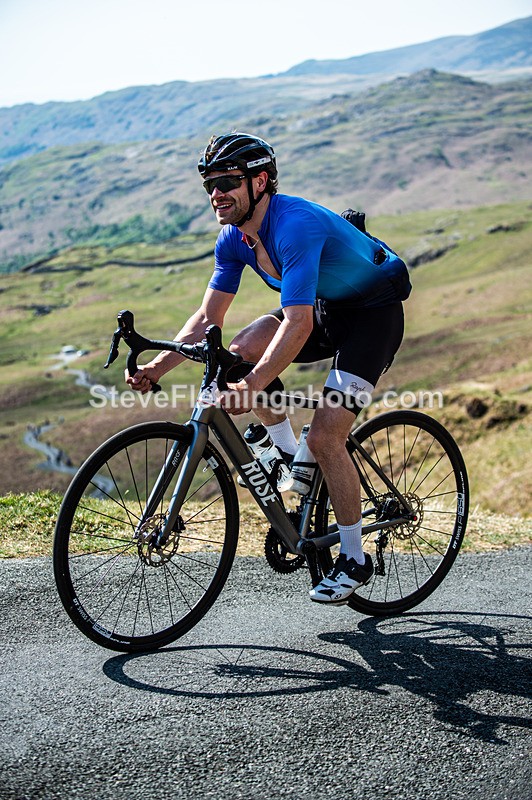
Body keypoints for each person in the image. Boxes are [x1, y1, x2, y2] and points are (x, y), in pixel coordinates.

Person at [127, 132, 411, 605]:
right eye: (209, 185)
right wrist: (159, 366)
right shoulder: (234, 238)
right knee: (238, 349)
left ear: (260, 181)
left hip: (373, 318)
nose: (216, 194)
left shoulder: (293, 225)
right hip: (329, 309)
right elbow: (206, 320)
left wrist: (254, 385)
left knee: (324, 437)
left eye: (226, 182)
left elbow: (296, 324)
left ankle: (355, 558)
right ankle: (283, 453)